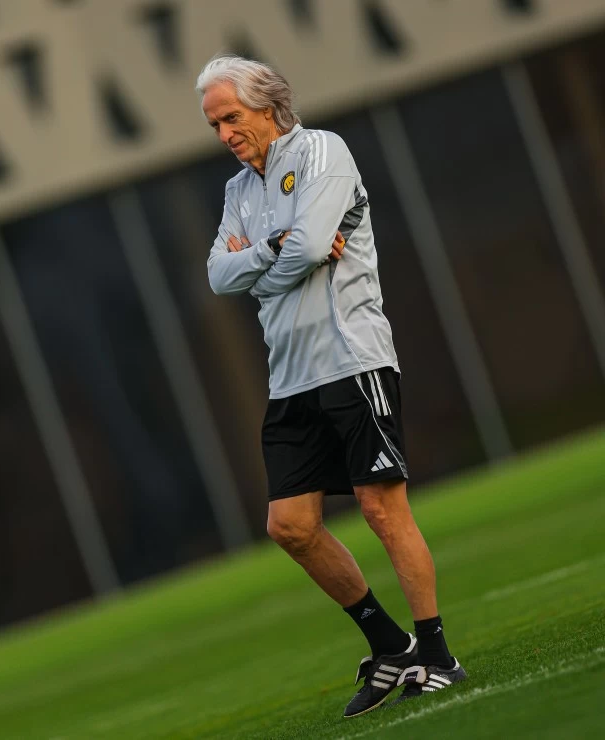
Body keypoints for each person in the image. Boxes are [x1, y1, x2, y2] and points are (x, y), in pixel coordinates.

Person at [197, 54, 466, 718]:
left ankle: (437, 656)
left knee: (382, 510)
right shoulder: (238, 191)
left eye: (230, 117)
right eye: (214, 125)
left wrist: (264, 260)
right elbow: (218, 276)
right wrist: (273, 249)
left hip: (352, 360)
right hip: (290, 377)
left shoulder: (322, 152)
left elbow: (314, 244)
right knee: (290, 526)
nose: (224, 134)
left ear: (267, 106)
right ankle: (390, 645)